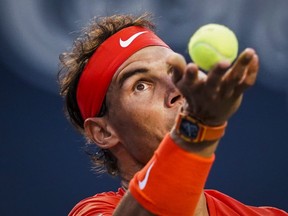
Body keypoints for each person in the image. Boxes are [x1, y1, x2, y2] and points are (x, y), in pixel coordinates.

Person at [58, 13, 287, 216]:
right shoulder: (91, 212)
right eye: (141, 85)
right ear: (103, 131)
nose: (176, 89)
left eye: (173, 71)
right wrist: (197, 128)